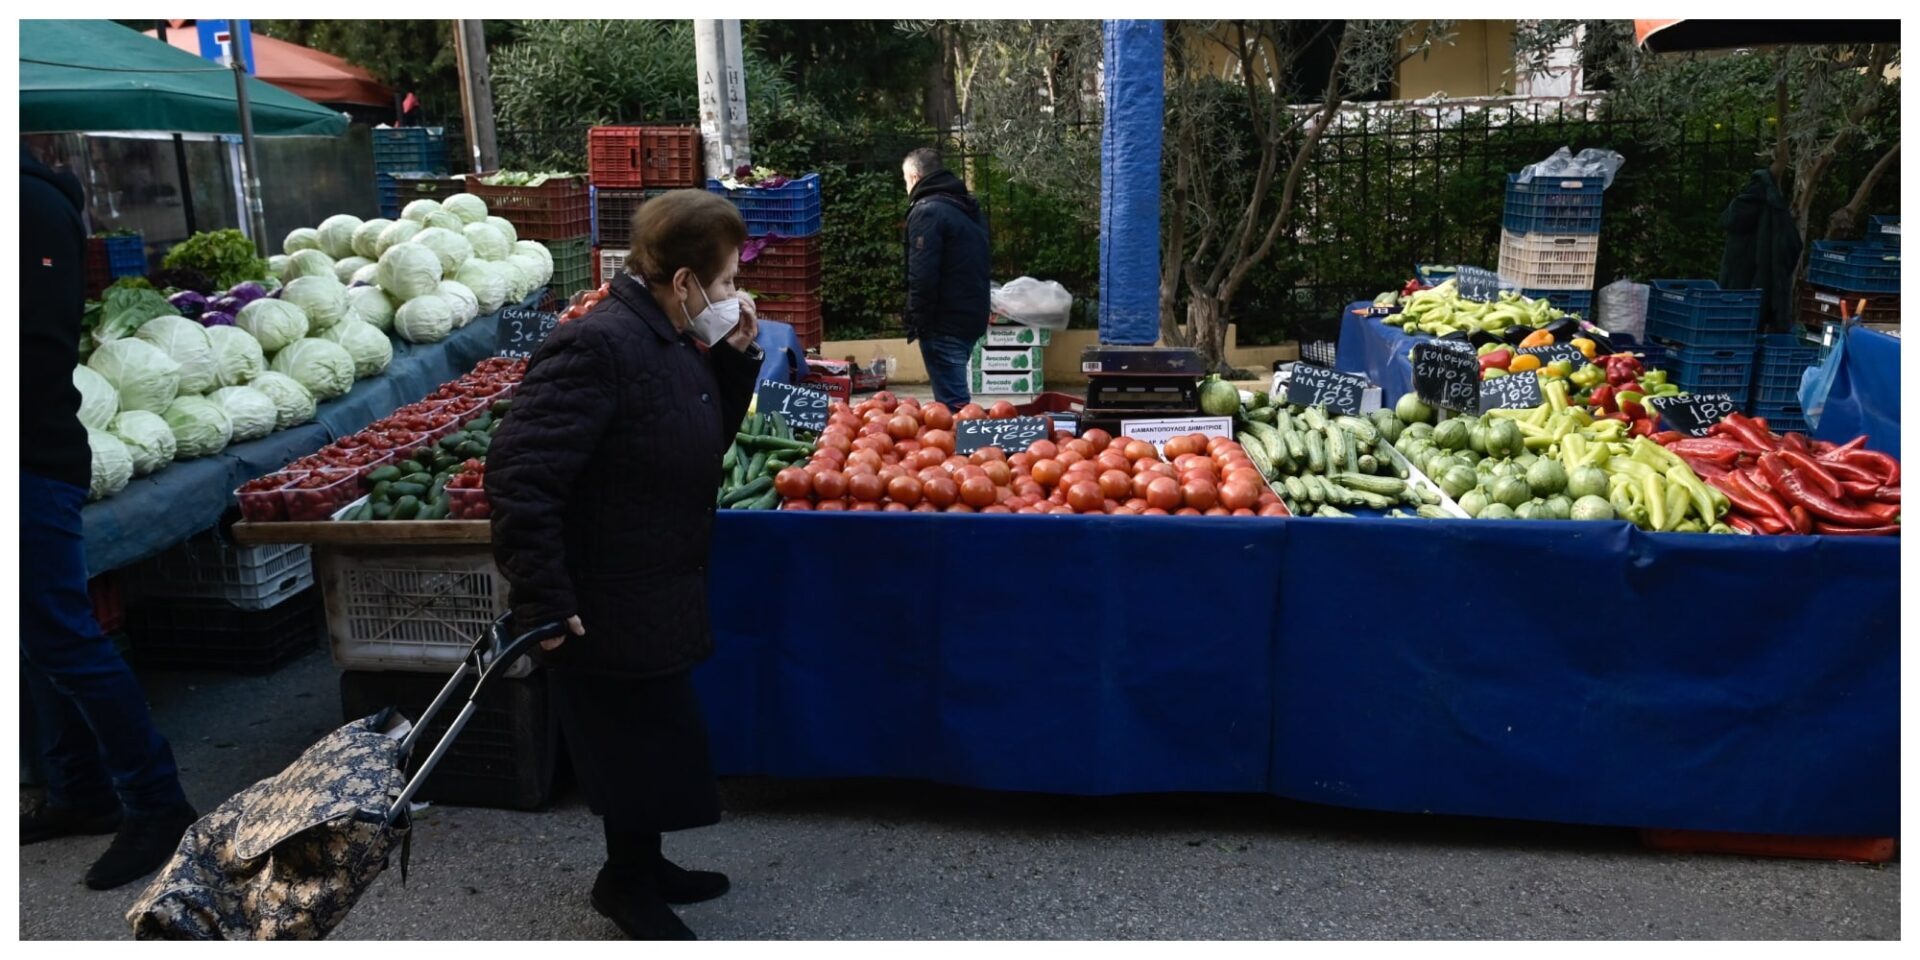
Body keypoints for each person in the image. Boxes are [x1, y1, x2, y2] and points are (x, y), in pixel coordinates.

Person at [487, 190, 763, 941]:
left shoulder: (666, 337)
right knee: (628, 739)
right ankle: (626, 887)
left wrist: (733, 360)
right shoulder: (597, 345)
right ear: (685, 282)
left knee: (653, 733)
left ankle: (643, 862)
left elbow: (691, 435)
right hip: (603, 588)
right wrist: (541, 596)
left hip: (652, 575)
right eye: (728, 280)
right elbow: (521, 476)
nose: (735, 294)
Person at [18, 147, 200, 891]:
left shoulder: (29, 206)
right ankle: (79, 791)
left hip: (29, 458)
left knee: (64, 637)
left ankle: (157, 803)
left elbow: (33, 353)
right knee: (38, 639)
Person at [901, 147, 991, 407]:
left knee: (954, 406)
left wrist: (918, 321)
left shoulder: (927, 211)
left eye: (905, 180)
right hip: (970, 317)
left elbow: (922, 274)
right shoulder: (966, 208)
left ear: (914, 177)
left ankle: (967, 435)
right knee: (953, 400)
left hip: (943, 323)